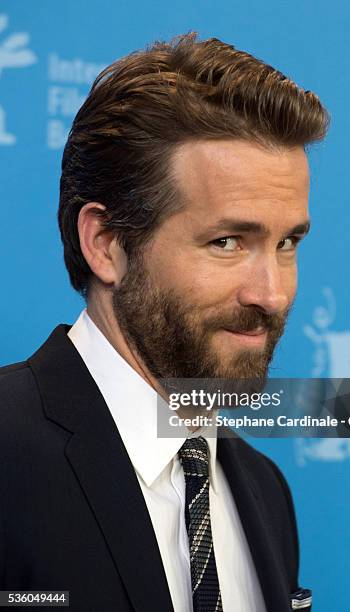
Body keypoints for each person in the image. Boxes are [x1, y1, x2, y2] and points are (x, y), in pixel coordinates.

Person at [0, 33, 328, 611]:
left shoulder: (264, 488)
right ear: (105, 244)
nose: (272, 295)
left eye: (287, 243)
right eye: (227, 241)